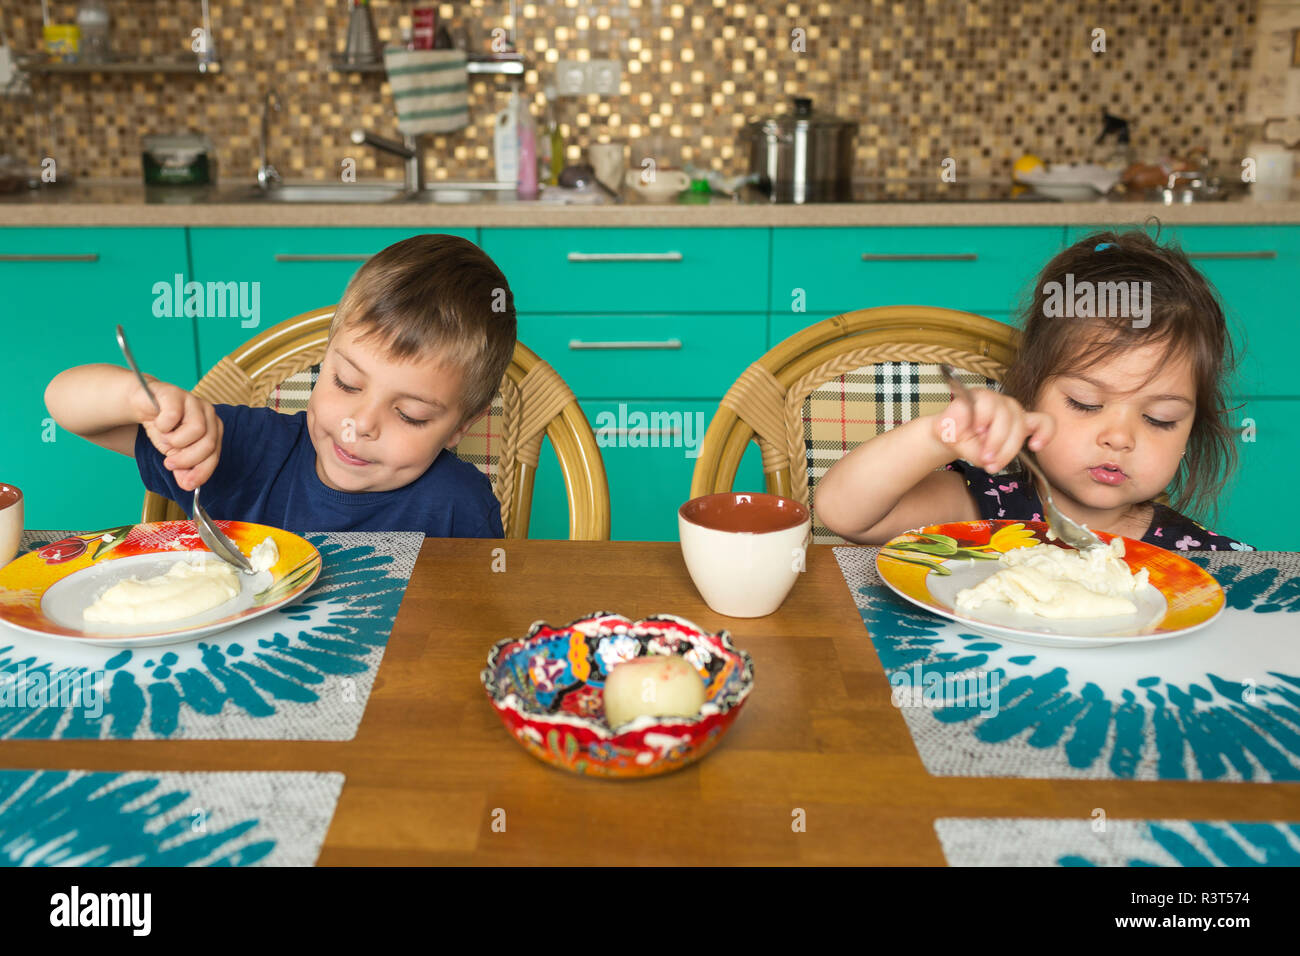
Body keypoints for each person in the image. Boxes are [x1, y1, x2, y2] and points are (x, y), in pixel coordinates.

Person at [46, 234, 517, 538]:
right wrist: (142, 398)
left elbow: (470, 630)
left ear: (459, 427)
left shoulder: (460, 508)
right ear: (325, 360)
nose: (360, 425)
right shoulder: (241, 451)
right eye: (346, 383)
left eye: (410, 414)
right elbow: (63, 403)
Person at [816, 229, 1254, 552]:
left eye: (1160, 419)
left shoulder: (1200, 559)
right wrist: (941, 435)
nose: (1119, 437)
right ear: (1031, 395)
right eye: (1085, 403)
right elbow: (844, 512)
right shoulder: (983, 508)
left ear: (1192, 429)